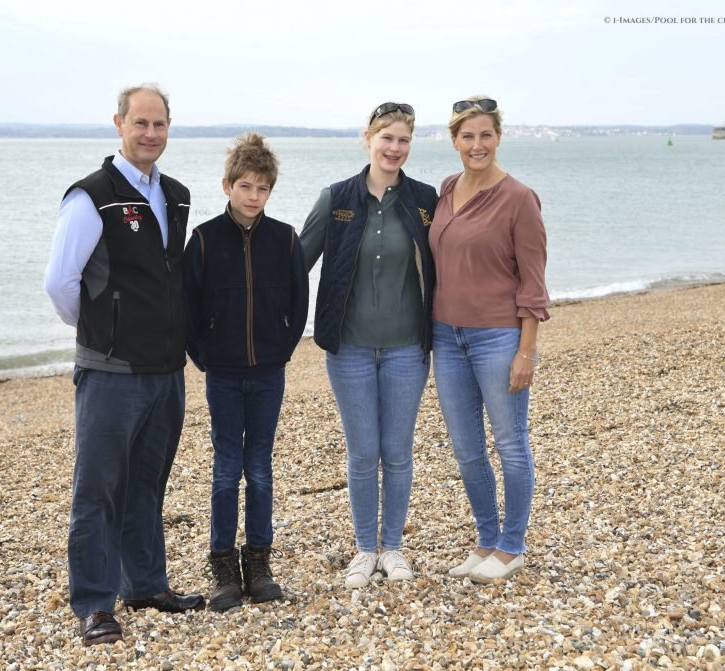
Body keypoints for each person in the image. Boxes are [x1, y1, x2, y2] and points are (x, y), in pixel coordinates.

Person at [43, 83, 205, 647]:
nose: (150, 134)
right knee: (99, 491)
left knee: (147, 486)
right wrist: (101, 333)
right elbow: (60, 284)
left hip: (166, 372)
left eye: (159, 124)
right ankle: (93, 603)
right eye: (140, 123)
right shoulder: (91, 196)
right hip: (110, 374)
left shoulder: (176, 195)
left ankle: (146, 585)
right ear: (118, 124)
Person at [301, 103, 438, 588]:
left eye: (403, 140)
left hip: (407, 349)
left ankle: (393, 547)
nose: (395, 148)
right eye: (387, 138)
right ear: (368, 139)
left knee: (398, 452)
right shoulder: (336, 198)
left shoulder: (424, 201)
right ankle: (364, 549)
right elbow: (296, 265)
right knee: (362, 454)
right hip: (350, 350)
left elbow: (452, 262)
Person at [183, 133, 309, 611]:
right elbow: (189, 308)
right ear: (227, 186)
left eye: (262, 188)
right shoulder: (203, 239)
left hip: (269, 373)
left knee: (259, 468)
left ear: (270, 192)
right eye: (245, 186)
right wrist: (206, 355)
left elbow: (299, 303)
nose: (253, 196)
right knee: (225, 469)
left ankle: (258, 561)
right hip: (223, 373)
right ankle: (222, 565)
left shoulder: (286, 237)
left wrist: (281, 346)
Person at [429, 96, 550, 582]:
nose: (476, 145)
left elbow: (534, 283)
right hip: (445, 335)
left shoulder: (520, 198)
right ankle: (485, 540)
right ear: (454, 140)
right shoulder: (447, 187)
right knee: (466, 448)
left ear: (498, 137)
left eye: (485, 135)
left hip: (498, 338)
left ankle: (512, 545)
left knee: (510, 443)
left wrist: (526, 350)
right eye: (467, 136)